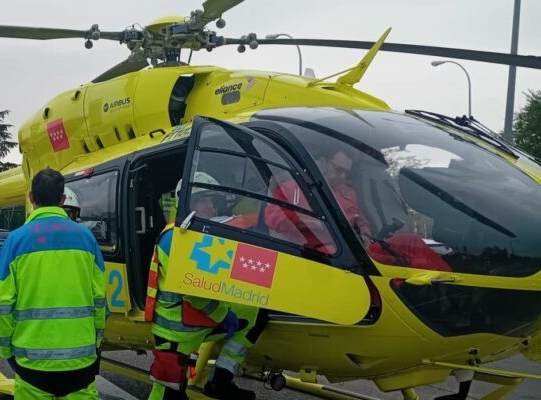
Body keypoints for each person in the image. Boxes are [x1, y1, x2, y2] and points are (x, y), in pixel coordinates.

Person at [0, 168, 106, 399]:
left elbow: (2, 305)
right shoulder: (86, 238)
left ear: (31, 197)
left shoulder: (16, 240)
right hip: (80, 362)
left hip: (31, 364)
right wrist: (96, 342)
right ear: (62, 200)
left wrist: (6, 351)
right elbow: (100, 299)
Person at [147, 172, 263, 400]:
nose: (210, 206)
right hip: (176, 330)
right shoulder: (175, 239)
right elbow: (193, 293)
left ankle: (221, 379)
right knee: (166, 391)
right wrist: (223, 315)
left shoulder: (193, 235)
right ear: (186, 202)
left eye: (212, 200)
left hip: (191, 324)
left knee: (254, 314)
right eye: (202, 200)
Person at [265, 147, 449, 271]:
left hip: (356, 248)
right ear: (323, 163)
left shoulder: (347, 193)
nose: (342, 176)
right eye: (338, 169)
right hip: (320, 253)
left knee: (410, 242)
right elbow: (274, 219)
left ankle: (445, 286)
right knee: (370, 266)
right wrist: (320, 223)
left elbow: (360, 221)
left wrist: (366, 235)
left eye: (346, 172)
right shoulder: (292, 187)